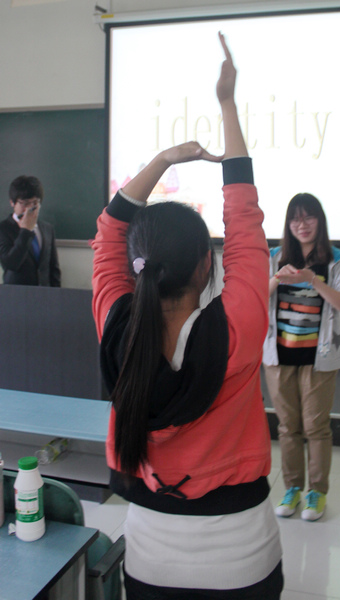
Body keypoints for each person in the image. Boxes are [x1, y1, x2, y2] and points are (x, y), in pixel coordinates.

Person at [92, 33, 283, 600]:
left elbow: (108, 232)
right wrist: (227, 102)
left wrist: (164, 160)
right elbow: (245, 218)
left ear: (137, 268)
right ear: (207, 266)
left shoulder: (118, 331)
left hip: (150, 560)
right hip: (242, 559)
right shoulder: (236, 330)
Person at [263, 193, 340, 522]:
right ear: (288, 224)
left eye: (308, 217)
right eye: (295, 218)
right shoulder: (274, 257)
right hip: (279, 356)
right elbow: (255, 296)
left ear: (320, 220)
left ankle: (317, 492)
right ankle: (292, 488)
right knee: (288, 428)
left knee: (316, 427)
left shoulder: (336, 259)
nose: (301, 225)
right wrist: (277, 278)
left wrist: (312, 280)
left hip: (319, 357)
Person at [0, 175, 61, 286]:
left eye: (35, 203)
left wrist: (56, 293)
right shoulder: (3, 228)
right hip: (16, 293)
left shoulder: (47, 229)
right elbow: (11, 264)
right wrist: (26, 230)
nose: (30, 208)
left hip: (44, 292)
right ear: (12, 202)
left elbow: (53, 269)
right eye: (25, 203)